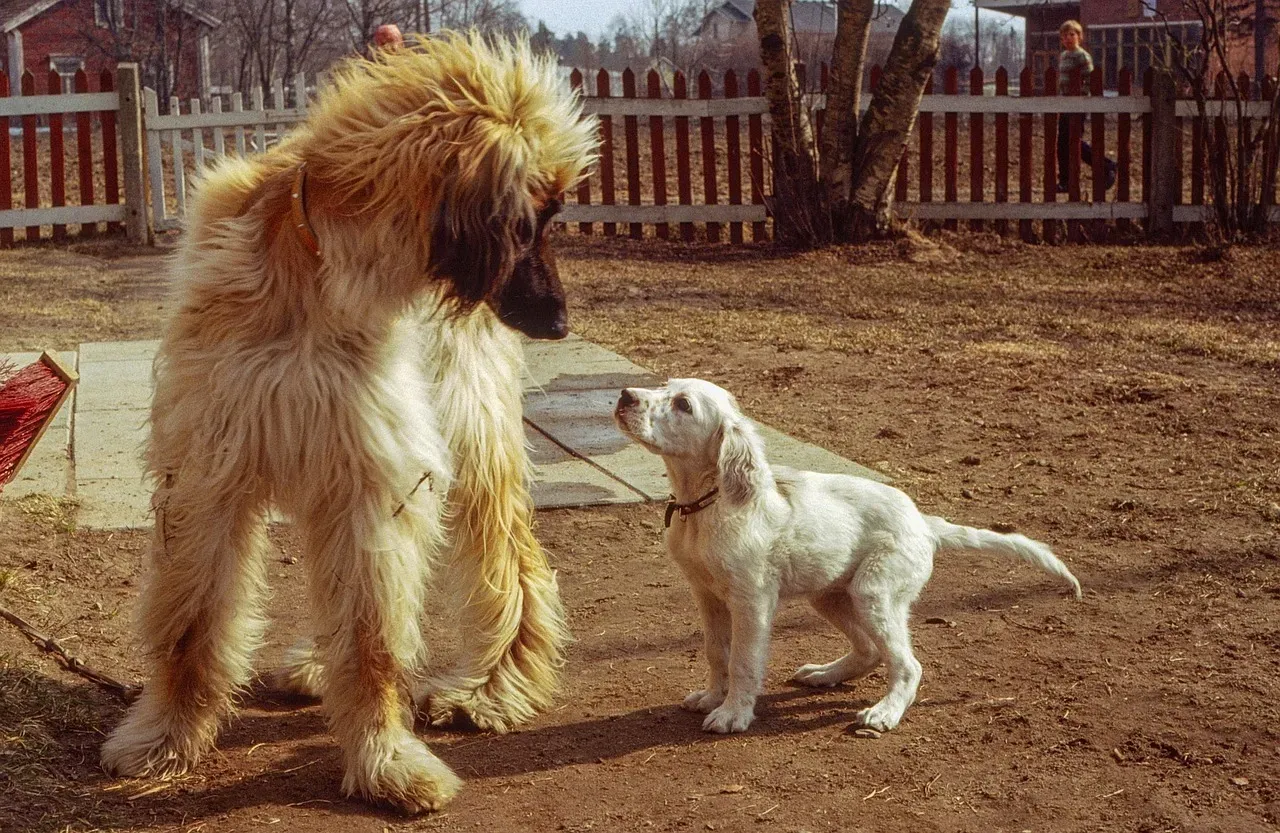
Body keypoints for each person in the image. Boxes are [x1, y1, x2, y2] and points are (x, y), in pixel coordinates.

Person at [1056, 20, 1116, 194]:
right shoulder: (1064, 56)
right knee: (1062, 143)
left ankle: (1107, 166)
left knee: (1074, 141)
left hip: (1079, 104)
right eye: (1065, 35)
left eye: (1072, 34)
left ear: (1079, 37)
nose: (1068, 38)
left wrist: (1080, 95)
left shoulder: (1083, 56)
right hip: (1065, 104)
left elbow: (1091, 79)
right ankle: (1065, 181)